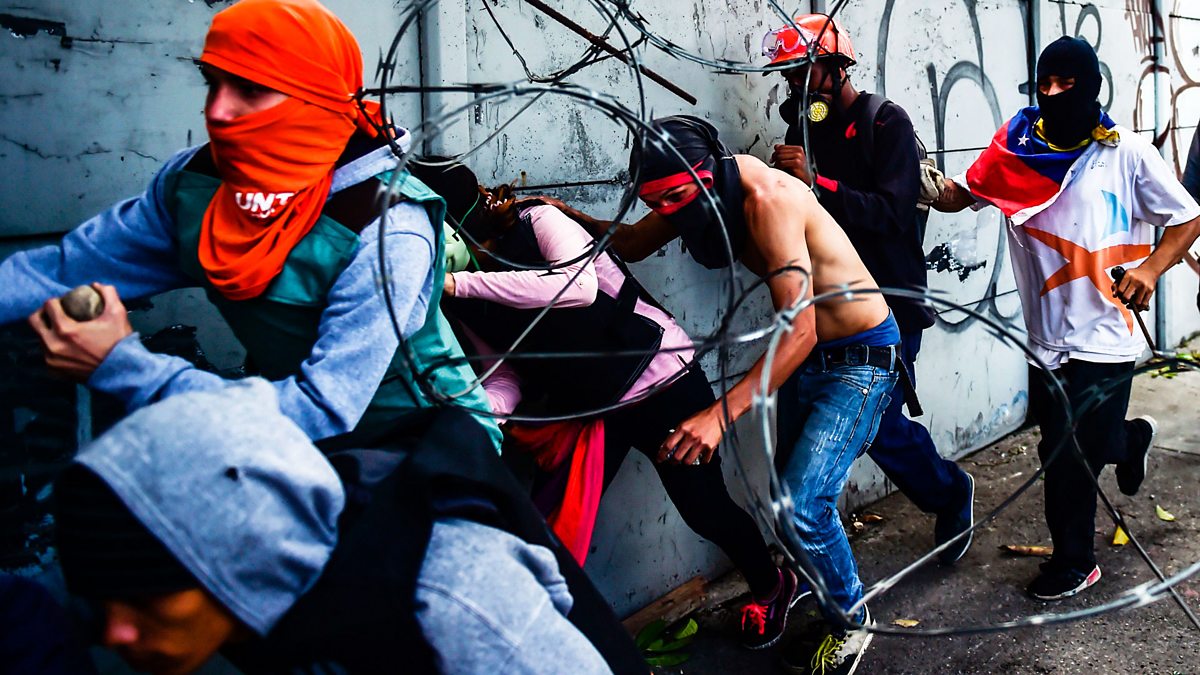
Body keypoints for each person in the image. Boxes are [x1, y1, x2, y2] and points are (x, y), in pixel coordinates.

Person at [0, 0, 499, 450]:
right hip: (287, 435)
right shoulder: (195, 186)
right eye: (211, 82)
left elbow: (324, 409)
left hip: (427, 453)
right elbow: (60, 272)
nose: (217, 112)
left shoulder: (388, 226)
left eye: (252, 89)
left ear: (317, 99)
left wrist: (121, 365)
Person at [554, 115, 897, 674]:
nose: (668, 212)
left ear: (707, 174)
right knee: (789, 507)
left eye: (675, 198)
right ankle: (813, 585)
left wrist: (718, 416)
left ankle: (853, 624)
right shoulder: (687, 192)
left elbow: (800, 330)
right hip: (807, 360)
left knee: (803, 503)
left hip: (857, 358)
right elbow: (635, 243)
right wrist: (566, 216)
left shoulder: (768, 201)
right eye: (655, 201)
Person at [415, 160, 799, 650]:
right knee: (556, 521)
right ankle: (543, 643)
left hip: (662, 383)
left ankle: (772, 585)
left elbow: (578, 288)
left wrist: (456, 285)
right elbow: (506, 372)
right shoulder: (463, 292)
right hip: (595, 408)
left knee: (705, 510)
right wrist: (479, 413)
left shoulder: (536, 222)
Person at [51, 378, 632, 675]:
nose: (116, 633)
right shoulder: (249, 607)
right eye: (101, 605)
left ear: (241, 552)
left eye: (147, 599)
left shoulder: (452, 594)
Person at [932, 37, 1200, 600]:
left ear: (1090, 87)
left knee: (1070, 456)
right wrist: (919, 181)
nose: (1053, 94)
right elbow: (961, 196)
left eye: (1067, 84)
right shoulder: (1016, 149)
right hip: (1046, 337)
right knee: (1067, 445)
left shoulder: (1126, 153)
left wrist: (1150, 269)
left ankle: (1075, 562)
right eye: (1045, 84)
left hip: (1107, 331)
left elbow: (1187, 217)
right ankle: (1130, 439)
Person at [764, 13, 975, 564]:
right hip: (824, 305)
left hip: (890, 304)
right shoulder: (804, 128)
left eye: (805, 72)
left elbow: (892, 213)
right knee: (797, 421)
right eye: (789, 77)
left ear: (838, 67)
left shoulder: (885, 122)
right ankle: (801, 560)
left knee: (878, 424)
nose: (797, 86)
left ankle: (950, 492)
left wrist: (816, 183)